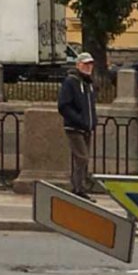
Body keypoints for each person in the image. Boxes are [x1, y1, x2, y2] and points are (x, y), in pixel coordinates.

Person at [58, 52, 98, 202]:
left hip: (86, 127)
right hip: (74, 127)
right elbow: (64, 105)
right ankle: (78, 188)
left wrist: (93, 121)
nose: (88, 67)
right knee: (82, 157)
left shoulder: (89, 83)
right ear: (78, 65)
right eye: (85, 64)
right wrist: (79, 119)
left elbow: (90, 105)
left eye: (90, 64)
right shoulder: (71, 82)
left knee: (82, 158)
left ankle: (79, 187)